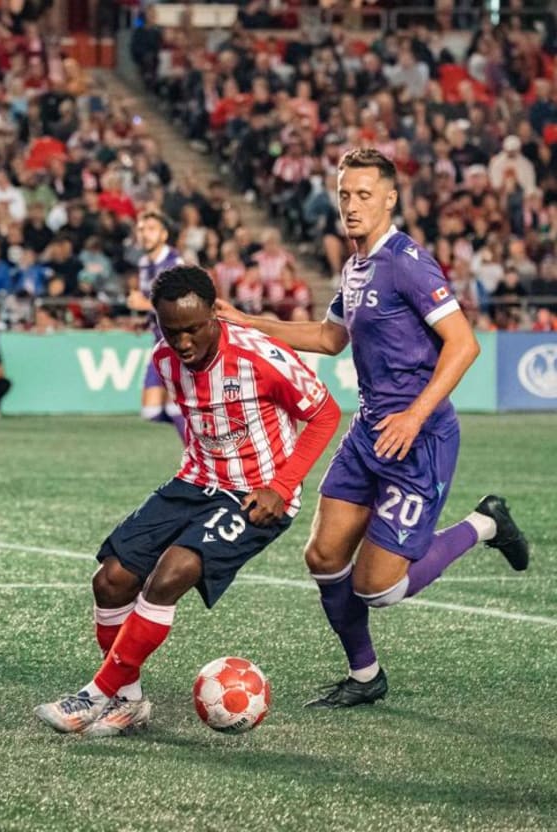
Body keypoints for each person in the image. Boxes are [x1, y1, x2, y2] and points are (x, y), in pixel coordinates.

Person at [216, 148, 529, 708]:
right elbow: (328, 337)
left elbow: (464, 344)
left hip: (419, 439)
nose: (352, 205)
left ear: (390, 198)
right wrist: (248, 323)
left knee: (379, 587)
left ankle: (485, 523)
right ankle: (365, 676)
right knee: (322, 558)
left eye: (364, 194)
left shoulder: (408, 262)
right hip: (368, 433)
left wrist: (414, 415)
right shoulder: (356, 266)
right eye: (345, 195)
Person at [34, 265, 340, 737]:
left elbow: (325, 414)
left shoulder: (259, 356)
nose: (182, 342)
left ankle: (94, 694)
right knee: (111, 580)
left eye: (194, 329)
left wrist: (281, 487)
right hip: (194, 482)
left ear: (215, 315)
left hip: (256, 495)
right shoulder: (164, 359)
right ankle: (129, 701)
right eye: (171, 330)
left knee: (172, 571)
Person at [126, 211, 186, 440]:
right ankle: (199, 429)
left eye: (151, 229)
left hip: (180, 341)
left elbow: (181, 305)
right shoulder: (144, 264)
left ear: (164, 234)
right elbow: (155, 305)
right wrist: (145, 320)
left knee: (174, 406)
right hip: (159, 340)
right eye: (141, 229)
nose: (145, 234)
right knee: (151, 411)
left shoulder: (175, 264)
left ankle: (198, 452)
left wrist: (144, 304)